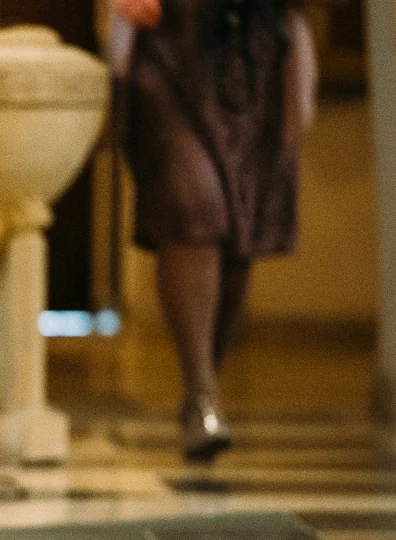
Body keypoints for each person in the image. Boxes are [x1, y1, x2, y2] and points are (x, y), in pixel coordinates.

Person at [110, 0, 318, 460]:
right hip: (167, 43)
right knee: (196, 206)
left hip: (258, 52)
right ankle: (203, 392)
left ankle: (201, 388)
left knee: (239, 233)